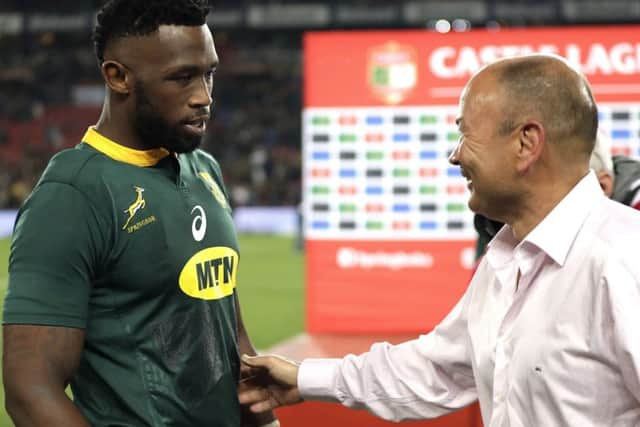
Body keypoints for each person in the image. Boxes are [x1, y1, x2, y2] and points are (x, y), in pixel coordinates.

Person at [238, 54, 640, 426]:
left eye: (466, 134)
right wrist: (305, 378)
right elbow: (435, 371)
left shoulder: (624, 257)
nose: (455, 156)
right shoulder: (505, 259)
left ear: (526, 143)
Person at [2, 1, 278, 426]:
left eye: (209, 73)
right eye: (182, 77)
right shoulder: (71, 196)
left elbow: (231, 339)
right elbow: (30, 390)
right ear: (118, 77)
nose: (204, 97)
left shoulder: (205, 170)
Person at [474, 129, 640, 260]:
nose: (536, 220)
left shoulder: (626, 246)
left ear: (602, 186)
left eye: (553, 202)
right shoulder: (500, 220)